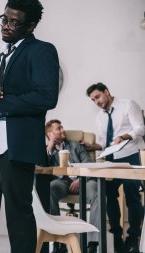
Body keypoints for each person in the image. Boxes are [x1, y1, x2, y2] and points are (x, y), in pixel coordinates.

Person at [0, 0, 59, 252]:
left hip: (16, 144)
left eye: (14, 22)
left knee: (17, 212)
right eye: (4, 19)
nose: (6, 26)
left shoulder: (42, 51)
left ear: (30, 26)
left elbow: (46, 97)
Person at [86, 82, 145, 253]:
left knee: (131, 195)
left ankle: (133, 238)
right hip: (111, 158)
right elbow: (105, 143)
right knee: (108, 194)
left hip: (130, 155)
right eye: (93, 100)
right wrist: (93, 147)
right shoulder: (100, 116)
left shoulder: (128, 105)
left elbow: (140, 128)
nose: (96, 101)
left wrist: (124, 136)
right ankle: (117, 236)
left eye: (97, 97)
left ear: (106, 92)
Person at [45, 119, 99, 253]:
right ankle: (59, 241)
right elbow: (44, 168)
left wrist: (81, 180)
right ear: (50, 134)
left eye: (62, 127)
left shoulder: (75, 145)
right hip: (62, 183)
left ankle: (93, 243)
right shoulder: (47, 150)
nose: (62, 130)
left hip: (83, 182)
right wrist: (50, 146)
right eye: (58, 128)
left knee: (97, 192)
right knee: (50, 188)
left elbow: (89, 164)